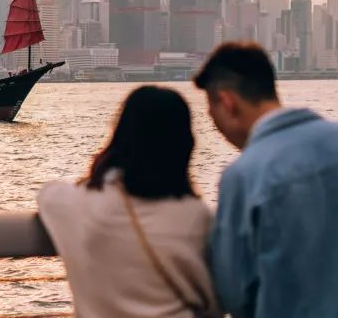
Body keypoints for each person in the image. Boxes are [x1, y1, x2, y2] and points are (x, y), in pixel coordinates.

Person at [195, 42, 338, 317]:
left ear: (227, 102)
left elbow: (234, 292)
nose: (215, 125)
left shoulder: (244, 175)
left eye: (211, 112)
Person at [37, 86, 220, 318]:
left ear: (119, 136)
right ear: (185, 144)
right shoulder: (198, 216)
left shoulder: (82, 205)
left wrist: (96, 178)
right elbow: (212, 305)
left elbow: (48, 194)